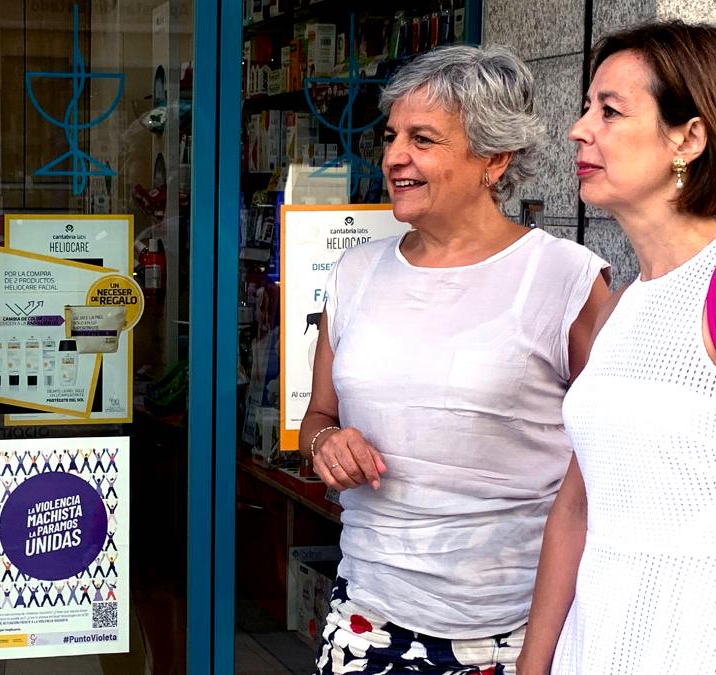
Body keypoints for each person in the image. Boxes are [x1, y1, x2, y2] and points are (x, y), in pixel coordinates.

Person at [299, 45, 610, 674]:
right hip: (367, 617)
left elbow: (609, 454)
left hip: (512, 631)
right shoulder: (354, 274)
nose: (393, 157)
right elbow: (319, 415)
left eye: (423, 139)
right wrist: (326, 442)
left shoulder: (563, 278)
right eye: (391, 137)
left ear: (494, 159)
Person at [519, 21, 716, 675]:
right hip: (597, 637)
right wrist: (534, 662)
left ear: (689, 137)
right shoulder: (622, 303)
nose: (579, 130)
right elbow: (577, 503)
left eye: (609, 110)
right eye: (584, 109)